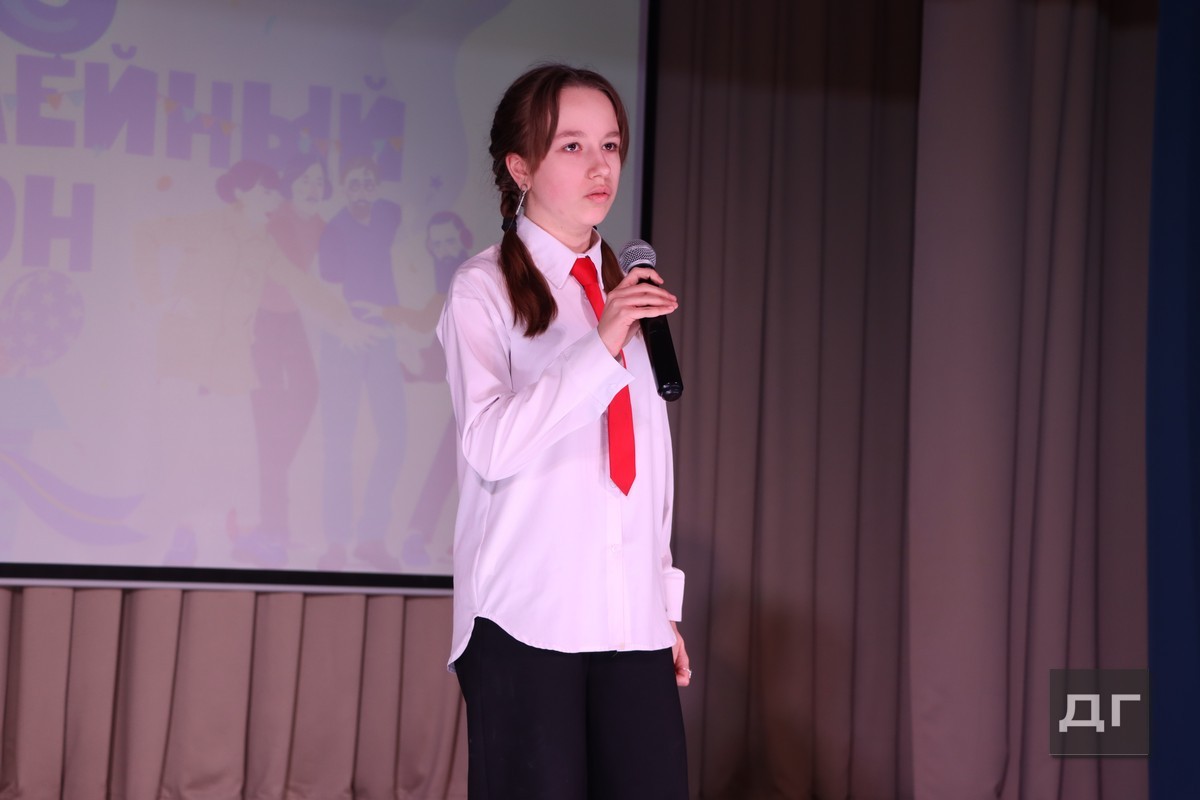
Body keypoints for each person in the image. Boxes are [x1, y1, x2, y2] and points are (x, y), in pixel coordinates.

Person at [437, 63, 691, 798]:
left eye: (610, 145)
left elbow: (647, 469)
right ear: (520, 168)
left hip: (631, 625)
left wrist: (661, 605)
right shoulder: (483, 288)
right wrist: (600, 345)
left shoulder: (622, 293)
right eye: (572, 146)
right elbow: (490, 444)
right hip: (526, 622)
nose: (600, 166)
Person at [316, 155, 408, 571]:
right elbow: (330, 291)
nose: (362, 190)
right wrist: (349, 327)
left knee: (394, 436)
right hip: (345, 339)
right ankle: (336, 541)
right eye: (354, 183)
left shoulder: (388, 215)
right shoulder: (334, 230)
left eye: (368, 182)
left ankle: (372, 536)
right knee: (340, 440)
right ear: (343, 187)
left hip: (383, 337)